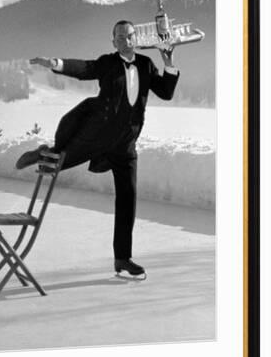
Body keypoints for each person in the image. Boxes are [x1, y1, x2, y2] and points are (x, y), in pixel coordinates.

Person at [16, 20, 179, 278]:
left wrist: (169, 63)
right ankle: (44, 152)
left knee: (128, 199)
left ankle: (122, 259)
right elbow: (84, 68)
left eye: (129, 36)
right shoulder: (107, 63)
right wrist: (56, 63)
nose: (125, 41)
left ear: (135, 38)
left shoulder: (147, 64)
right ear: (113, 42)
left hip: (126, 143)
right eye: (119, 37)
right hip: (98, 134)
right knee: (61, 160)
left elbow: (166, 93)